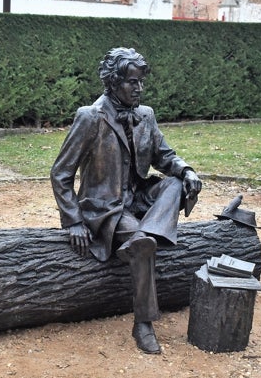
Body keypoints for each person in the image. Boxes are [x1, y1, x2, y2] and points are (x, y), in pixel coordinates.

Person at [50, 47, 202, 354]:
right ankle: (143, 324)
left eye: (141, 82)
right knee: (141, 245)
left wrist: (187, 171)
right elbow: (60, 174)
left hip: (140, 199)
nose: (139, 88)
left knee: (174, 183)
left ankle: (147, 235)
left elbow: (165, 156)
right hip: (107, 209)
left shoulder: (145, 115)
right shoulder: (90, 118)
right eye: (132, 82)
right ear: (113, 82)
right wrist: (74, 221)